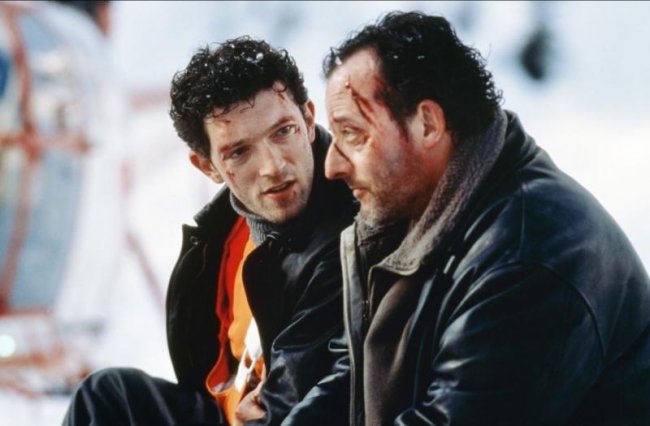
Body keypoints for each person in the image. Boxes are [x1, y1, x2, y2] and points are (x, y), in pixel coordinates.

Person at [319, 11, 650, 425]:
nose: (331, 166)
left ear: (427, 124)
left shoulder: (529, 253)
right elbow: (350, 378)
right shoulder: (421, 213)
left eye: (352, 135)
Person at [62, 36, 355, 426]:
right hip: (228, 411)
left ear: (308, 119)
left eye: (283, 131)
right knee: (107, 395)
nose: (273, 166)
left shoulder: (351, 231)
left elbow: (307, 399)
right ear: (207, 166)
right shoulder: (226, 230)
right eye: (239, 152)